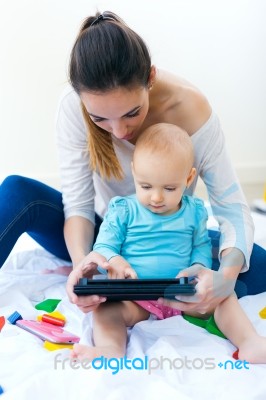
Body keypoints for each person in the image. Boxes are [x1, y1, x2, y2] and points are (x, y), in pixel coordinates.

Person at [0, 11, 265, 315]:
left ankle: (161, 290)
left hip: (169, 241)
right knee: (15, 191)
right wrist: (83, 266)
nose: (119, 131)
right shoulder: (72, 108)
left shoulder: (191, 109)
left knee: (258, 268)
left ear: (150, 78)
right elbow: (78, 206)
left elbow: (230, 206)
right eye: (100, 118)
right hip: (104, 239)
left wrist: (226, 277)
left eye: (131, 113)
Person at [71, 124, 266, 363]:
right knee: (105, 310)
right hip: (135, 299)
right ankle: (111, 348)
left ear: (189, 178)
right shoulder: (123, 209)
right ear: (134, 172)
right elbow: (103, 246)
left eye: (169, 188)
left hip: (185, 297)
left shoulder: (194, 211)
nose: (156, 197)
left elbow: (201, 248)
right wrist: (115, 260)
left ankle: (249, 341)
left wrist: (198, 269)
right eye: (146, 186)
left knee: (225, 297)